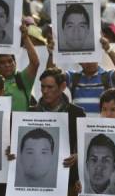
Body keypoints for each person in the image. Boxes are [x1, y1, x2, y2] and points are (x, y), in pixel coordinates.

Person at [27, 67, 86, 196]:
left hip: (67, 182)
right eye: (42, 87)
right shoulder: (29, 113)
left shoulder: (77, 113)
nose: (45, 91)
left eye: (50, 87)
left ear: (63, 86)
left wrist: (77, 156)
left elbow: (85, 147)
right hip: (35, 184)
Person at [47, 36, 115, 114]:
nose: (89, 61)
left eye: (92, 56)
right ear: (79, 61)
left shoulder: (106, 77)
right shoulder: (73, 78)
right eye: (85, 58)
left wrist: (108, 49)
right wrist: (51, 55)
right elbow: (51, 76)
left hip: (101, 127)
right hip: (78, 127)